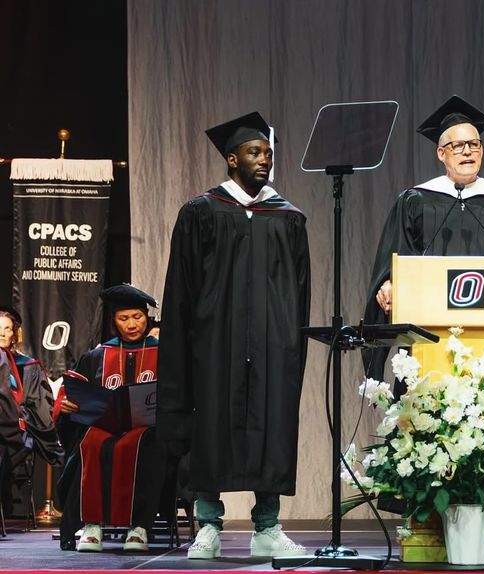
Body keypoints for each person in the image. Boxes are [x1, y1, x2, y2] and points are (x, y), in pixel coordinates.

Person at [158, 112, 311, 559]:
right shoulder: (201, 211)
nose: (263, 160)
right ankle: (208, 524)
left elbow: (300, 293)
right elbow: (181, 289)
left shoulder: (288, 218)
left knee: (271, 425)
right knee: (209, 427)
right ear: (231, 158)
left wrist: (288, 345)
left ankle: (268, 525)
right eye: (253, 152)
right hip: (214, 345)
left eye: (267, 152)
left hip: (271, 345)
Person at [363, 95, 484, 391]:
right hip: (427, 337)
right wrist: (388, 283)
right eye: (458, 146)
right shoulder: (415, 200)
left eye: (474, 144)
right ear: (441, 153)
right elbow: (393, 259)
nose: (467, 152)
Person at [55, 285, 167, 552]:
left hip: (147, 429)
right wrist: (67, 406)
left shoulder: (163, 354)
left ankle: (138, 527)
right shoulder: (97, 356)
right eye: (124, 318)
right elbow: (70, 392)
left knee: (136, 444)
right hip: (105, 427)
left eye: (137, 317)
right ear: (114, 322)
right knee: (90, 441)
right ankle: (92, 525)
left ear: (147, 317)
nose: (131, 325)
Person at [0, 307, 64, 467]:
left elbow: (41, 410)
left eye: (6, 329)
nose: (1, 333)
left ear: (14, 336)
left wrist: (17, 419)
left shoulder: (29, 367)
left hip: (17, 445)